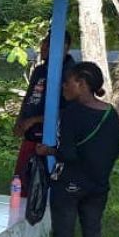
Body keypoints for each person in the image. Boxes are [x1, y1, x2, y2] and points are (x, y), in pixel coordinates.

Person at [33, 62, 119, 237]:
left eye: (67, 82)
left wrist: (49, 150)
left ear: (81, 84)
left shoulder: (71, 113)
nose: (63, 87)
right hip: (98, 186)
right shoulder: (110, 114)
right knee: (93, 236)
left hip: (70, 184)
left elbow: (69, 153)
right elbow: (113, 151)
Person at [12, 30, 74, 179]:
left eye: (49, 43)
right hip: (31, 134)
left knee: (42, 180)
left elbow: (69, 111)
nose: (43, 47)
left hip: (51, 138)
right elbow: (30, 97)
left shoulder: (71, 74)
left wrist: (34, 120)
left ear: (64, 47)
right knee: (22, 179)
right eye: (44, 42)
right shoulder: (40, 70)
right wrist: (20, 120)